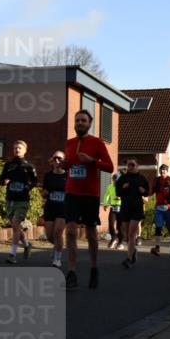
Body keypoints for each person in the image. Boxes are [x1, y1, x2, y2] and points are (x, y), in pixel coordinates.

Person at [63, 109, 115, 289]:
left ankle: (94, 268)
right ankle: (71, 272)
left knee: (91, 234)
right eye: (77, 120)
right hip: (71, 193)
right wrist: (61, 165)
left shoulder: (97, 143)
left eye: (83, 120)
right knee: (70, 231)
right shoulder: (69, 144)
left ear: (89, 123)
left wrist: (92, 161)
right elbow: (69, 166)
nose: (79, 123)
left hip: (90, 195)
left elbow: (110, 167)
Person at [0, 140, 38, 264]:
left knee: (16, 224)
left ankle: (12, 254)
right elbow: (1, 179)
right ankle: (26, 245)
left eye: (20, 148)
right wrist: (4, 181)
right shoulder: (8, 165)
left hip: (22, 201)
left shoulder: (29, 166)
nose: (17, 150)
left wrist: (28, 187)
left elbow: (34, 182)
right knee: (16, 226)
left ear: (25, 150)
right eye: (15, 148)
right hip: (10, 199)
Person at [115, 159, 149, 268]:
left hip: (136, 209)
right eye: (128, 165)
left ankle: (129, 259)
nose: (130, 167)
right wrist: (123, 188)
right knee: (127, 236)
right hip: (125, 208)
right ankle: (133, 251)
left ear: (137, 166)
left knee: (131, 234)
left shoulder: (142, 178)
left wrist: (143, 191)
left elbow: (148, 192)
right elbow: (117, 192)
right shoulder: (122, 178)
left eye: (133, 165)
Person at [41, 151, 68, 268]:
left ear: (63, 161)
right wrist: (44, 193)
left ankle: (57, 258)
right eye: (55, 158)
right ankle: (57, 246)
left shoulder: (68, 176)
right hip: (50, 207)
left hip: (63, 207)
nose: (57, 160)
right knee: (50, 236)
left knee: (58, 233)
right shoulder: (48, 175)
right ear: (52, 160)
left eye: (60, 158)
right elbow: (44, 191)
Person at [149, 164, 170, 257]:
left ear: (167, 171)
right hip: (159, 208)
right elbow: (151, 192)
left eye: (164, 170)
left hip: (169, 208)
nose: (162, 172)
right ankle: (157, 247)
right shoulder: (156, 180)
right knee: (158, 227)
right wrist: (144, 194)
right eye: (161, 170)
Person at [101, 172, 123, 249]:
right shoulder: (110, 187)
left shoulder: (122, 187)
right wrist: (105, 204)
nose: (115, 182)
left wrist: (121, 198)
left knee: (119, 226)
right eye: (114, 180)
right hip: (113, 207)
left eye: (116, 181)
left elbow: (127, 195)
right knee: (111, 224)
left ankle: (120, 243)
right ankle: (113, 238)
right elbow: (106, 195)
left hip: (121, 208)